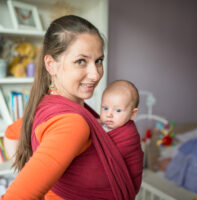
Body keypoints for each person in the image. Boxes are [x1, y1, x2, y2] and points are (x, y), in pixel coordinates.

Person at [1, 15, 143, 200]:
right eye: (81, 61)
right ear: (51, 65)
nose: (95, 74)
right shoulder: (72, 124)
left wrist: (40, 175)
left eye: (98, 61)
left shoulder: (47, 105)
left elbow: (11, 134)